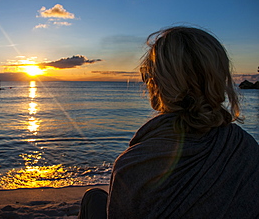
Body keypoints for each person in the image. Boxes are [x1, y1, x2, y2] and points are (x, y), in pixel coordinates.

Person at [78, 26, 259, 218]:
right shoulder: (246, 148)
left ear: (156, 83)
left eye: (147, 74)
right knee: (95, 198)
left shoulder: (133, 166)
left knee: (93, 199)